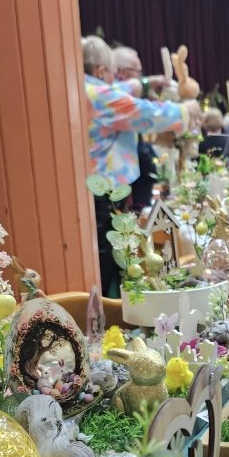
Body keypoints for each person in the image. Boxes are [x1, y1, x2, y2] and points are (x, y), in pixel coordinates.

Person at [83, 36, 187, 296]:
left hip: (94, 189)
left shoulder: (83, 87)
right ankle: (112, 310)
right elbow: (148, 114)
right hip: (104, 193)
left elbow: (122, 89)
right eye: (112, 73)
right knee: (112, 260)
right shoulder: (100, 96)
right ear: (101, 71)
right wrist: (187, 110)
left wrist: (147, 82)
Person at [112, 46, 157, 212]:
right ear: (123, 72)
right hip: (113, 180)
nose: (141, 77)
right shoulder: (114, 97)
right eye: (138, 72)